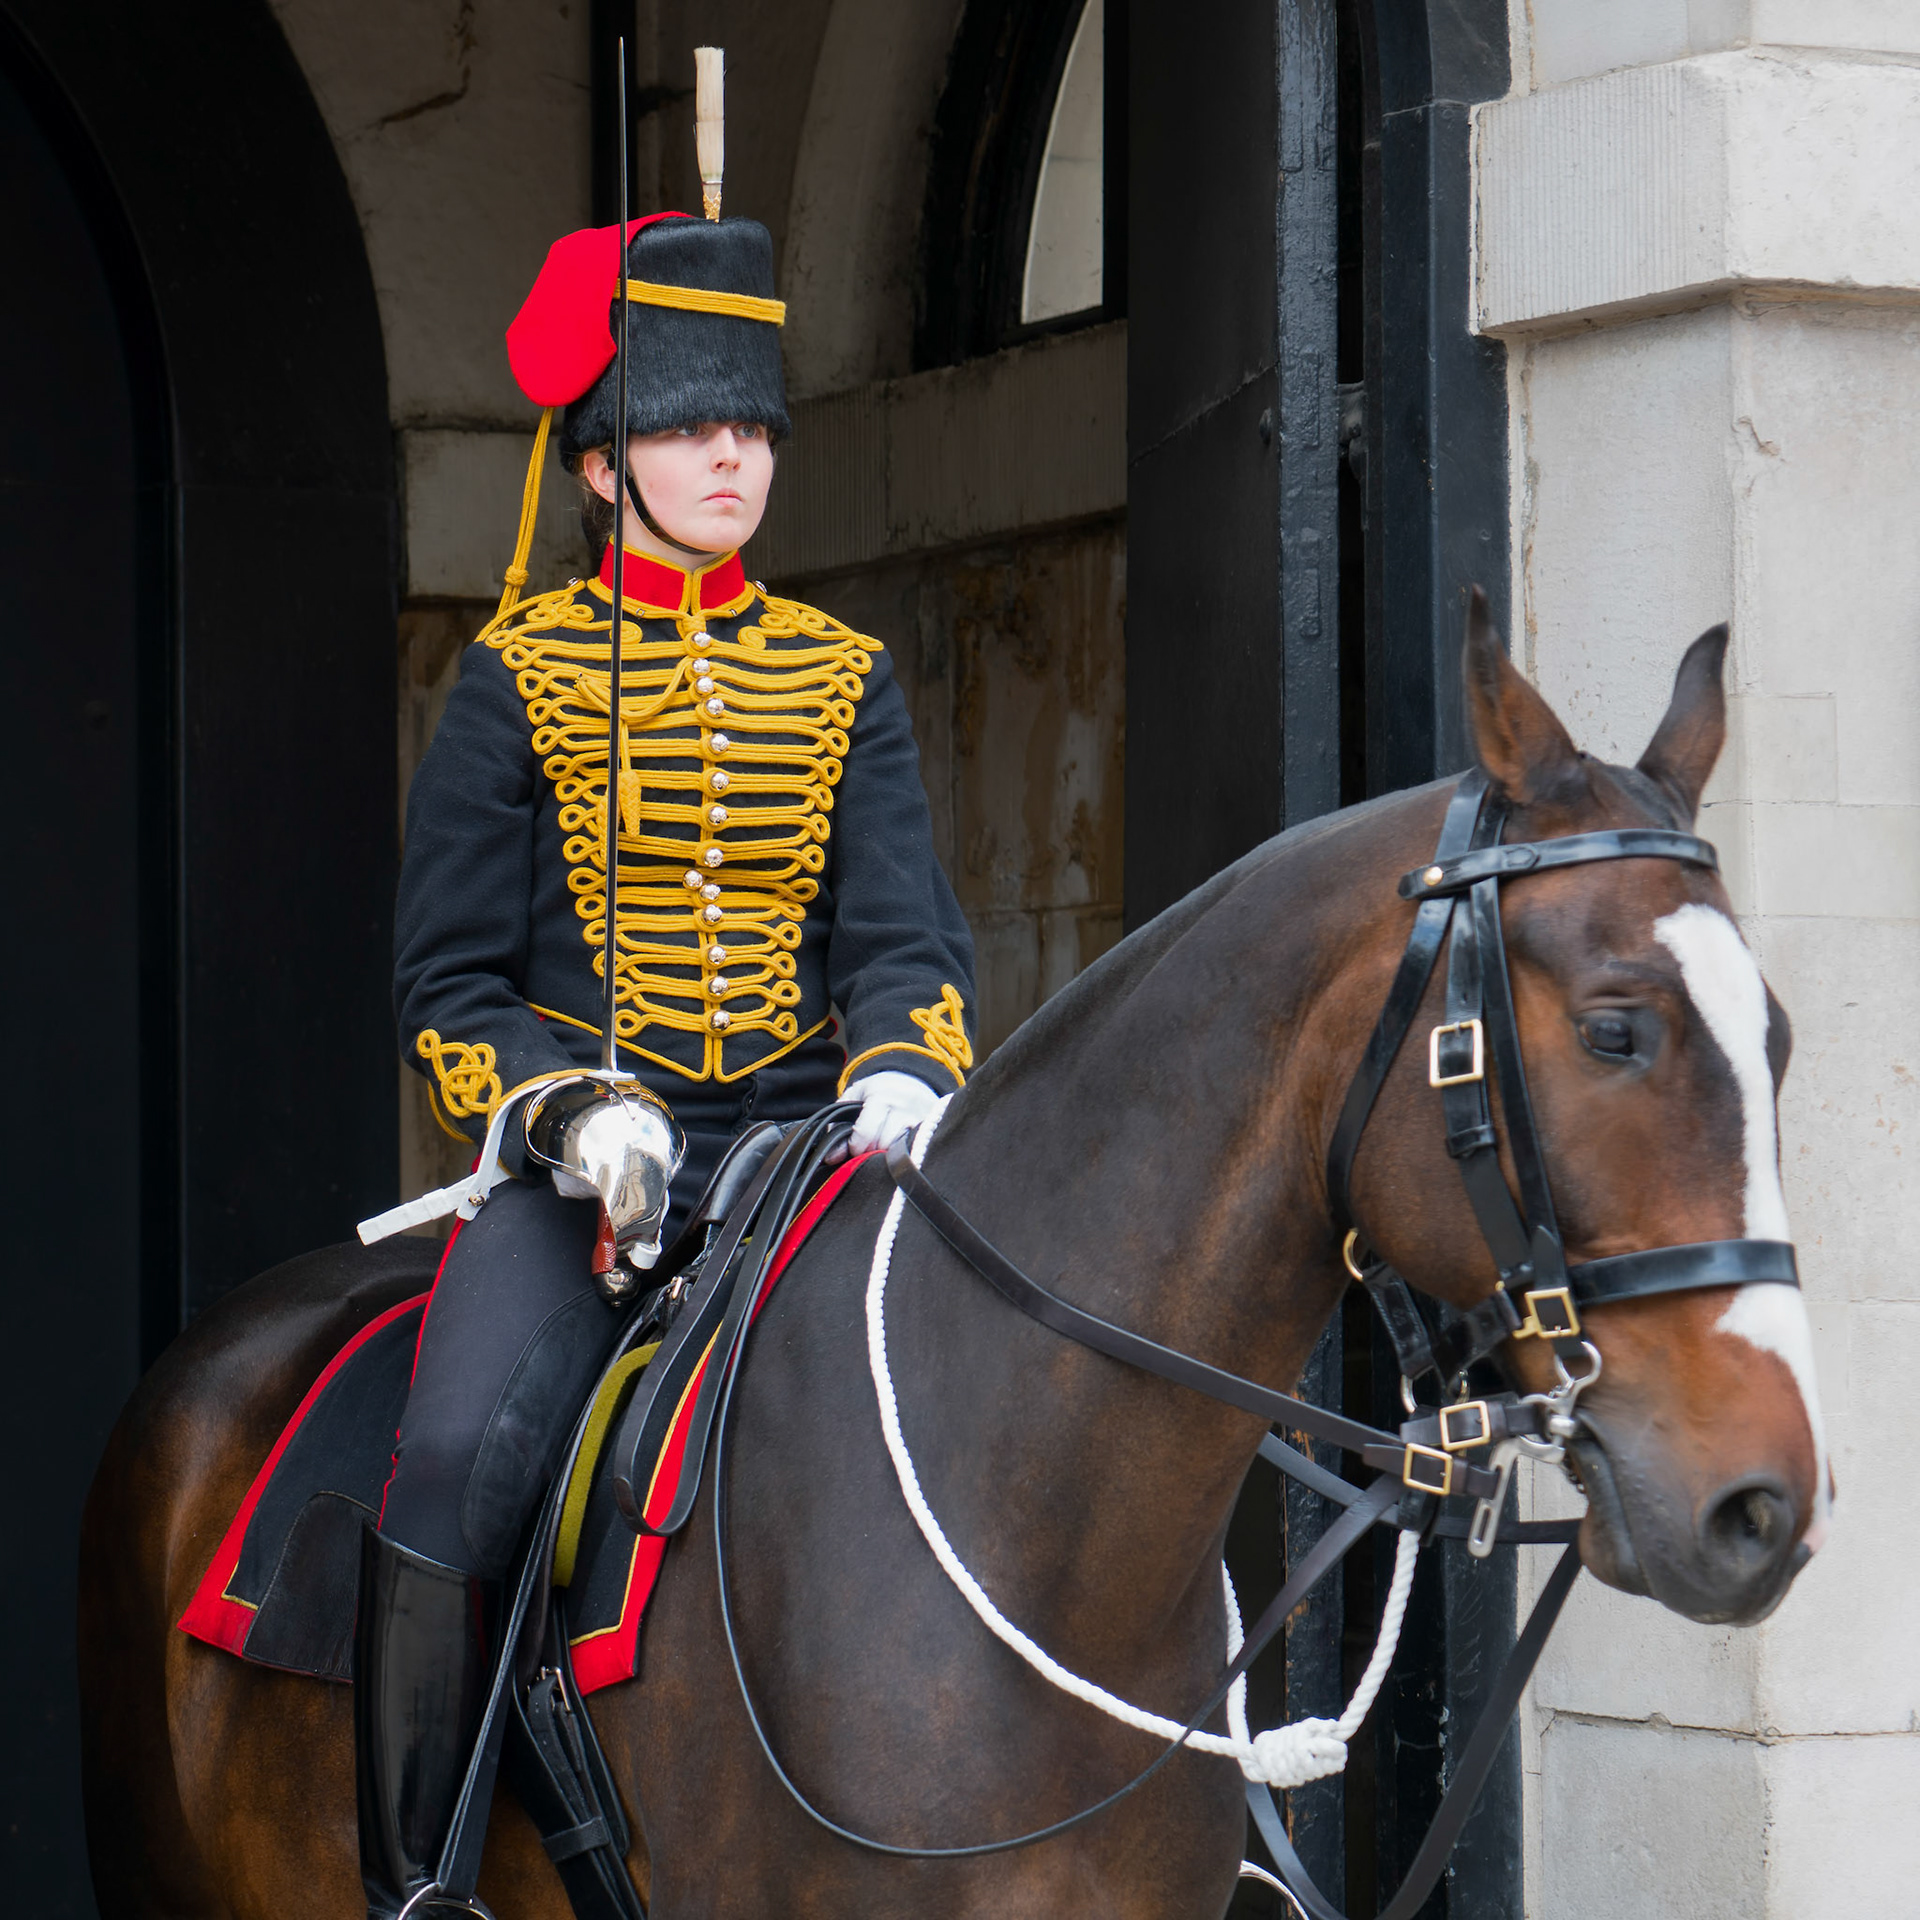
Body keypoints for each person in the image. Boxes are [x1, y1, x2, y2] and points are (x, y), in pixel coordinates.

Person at [355, 206, 976, 1919]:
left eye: (754, 424)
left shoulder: (843, 677)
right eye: (692, 424)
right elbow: (449, 986)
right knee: (456, 1460)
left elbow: (906, 943)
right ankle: (415, 1881)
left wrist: (910, 1066)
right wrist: (569, 1110)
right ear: (602, 460)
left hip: (805, 1153)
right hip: (588, 1172)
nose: (731, 453)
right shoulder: (523, 675)